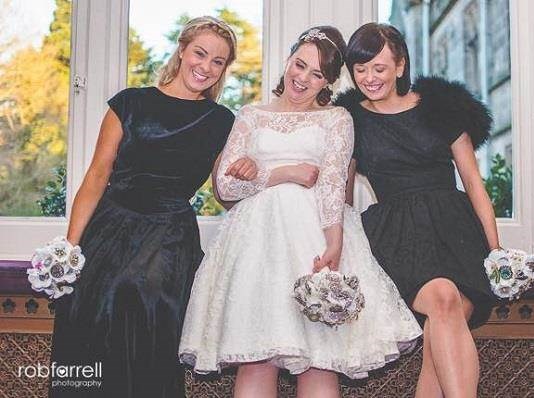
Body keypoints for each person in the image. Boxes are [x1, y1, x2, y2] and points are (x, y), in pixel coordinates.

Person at [178, 26, 421, 398]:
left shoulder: (336, 118)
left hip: (313, 240)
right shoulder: (250, 115)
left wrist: (334, 246)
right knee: (256, 359)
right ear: (288, 61)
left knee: (319, 359)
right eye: (300, 65)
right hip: (256, 247)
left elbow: (332, 185)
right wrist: (281, 173)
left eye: (317, 74)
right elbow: (227, 188)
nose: (303, 78)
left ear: (329, 81)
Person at [49, 16, 242, 398]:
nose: (205, 67)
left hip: (169, 240)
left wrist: (244, 174)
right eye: (200, 54)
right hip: (108, 233)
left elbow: (226, 195)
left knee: (148, 331)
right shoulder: (130, 103)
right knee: (88, 325)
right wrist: (70, 248)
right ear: (183, 49)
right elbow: (95, 177)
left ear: (224, 69)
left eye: (217, 61)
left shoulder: (222, 121)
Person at [337, 22, 500, 398]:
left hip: (455, 232)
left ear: (400, 65)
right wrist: (342, 258)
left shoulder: (443, 106)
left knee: (442, 328)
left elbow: (474, 183)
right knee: (442, 299)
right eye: (360, 70)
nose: (368, 78)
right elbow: (342, 200)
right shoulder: (348, 121)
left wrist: (496, 253)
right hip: (396, 235)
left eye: (378, 68)